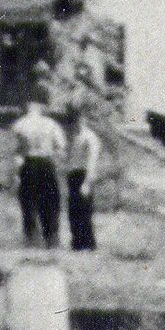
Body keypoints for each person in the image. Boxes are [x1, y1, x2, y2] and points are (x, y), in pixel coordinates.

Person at [10, 94, 66, 248]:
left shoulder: (20, 124)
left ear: (28, 106)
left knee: (28, 201)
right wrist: (56, 162)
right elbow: (61, 148)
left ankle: (31, 237)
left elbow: (17, 152)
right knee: (50, 201)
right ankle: (51, 238)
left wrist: (16, 174)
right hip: (46, 163)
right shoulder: (52, 124)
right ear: (41, 107)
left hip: (29, 163)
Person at [64, 104, 105, 252]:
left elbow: (92, 162)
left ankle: (87, 243)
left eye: (78, 121)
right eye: (73, 122)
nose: (75, 124)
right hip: (73, 175)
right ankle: (76, 242)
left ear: (84, 120)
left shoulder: (90, 138)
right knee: (73, 211)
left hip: (84, 175)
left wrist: (87, 183)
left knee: (84, 210)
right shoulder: (75, 137)